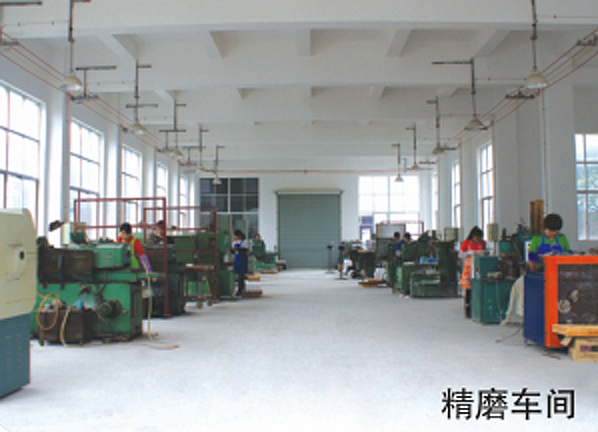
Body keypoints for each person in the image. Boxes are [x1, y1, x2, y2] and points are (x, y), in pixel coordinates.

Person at [459, 226, 487, 318]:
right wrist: (468, 254)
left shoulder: (482, 243)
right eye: (476, 237)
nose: (478, 239)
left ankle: (478, 308)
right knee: (469, 289)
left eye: (480, 237)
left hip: (479, 266)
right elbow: (460, 255)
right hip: (469, 268)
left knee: (479, 287)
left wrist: (483, 253)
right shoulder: (466, 243)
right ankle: (468, 309)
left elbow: (486, 252)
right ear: (472, 236)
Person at [231, 229, 249, 297]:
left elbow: (244, 249)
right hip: (237, 259)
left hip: (242, 259)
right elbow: (233, 251)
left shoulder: (244, 242)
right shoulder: (234, 242)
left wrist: (237, 248)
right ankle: (241, 288)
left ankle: (240, 289)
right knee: (239, 275)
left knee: (241, 275)